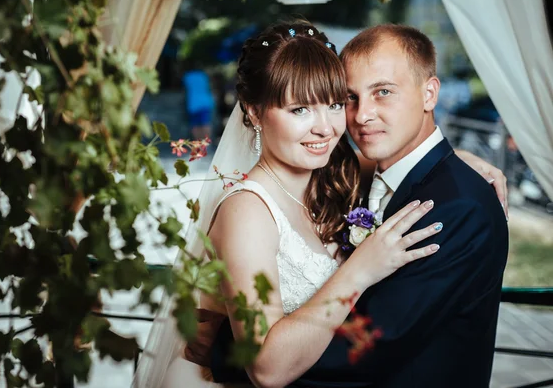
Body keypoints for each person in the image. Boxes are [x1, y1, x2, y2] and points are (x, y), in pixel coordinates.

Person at [133, 22, 508, 388]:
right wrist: (358, 270)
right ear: (253, 112)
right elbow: (267, 368)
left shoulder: (334, 176)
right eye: (299, 109)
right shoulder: (247, 211)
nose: (328, 126)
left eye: (333, 104)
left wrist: (454, 161)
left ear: (429, 94)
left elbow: (408, 161)